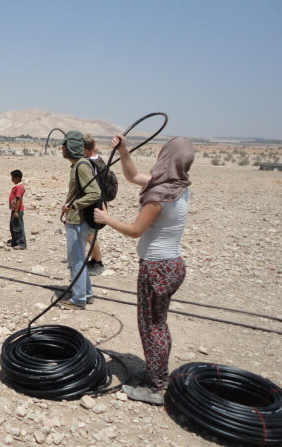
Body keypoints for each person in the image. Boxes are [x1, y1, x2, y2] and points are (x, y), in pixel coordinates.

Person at [94, 135, 195, 405]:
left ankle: (154, 386)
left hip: (157, 268)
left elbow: (136, 230)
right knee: (157, 324)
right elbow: (134, 175)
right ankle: (157, 374)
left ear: (166, 157)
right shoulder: (178, 186)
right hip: (171, 265)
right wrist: (124, 151)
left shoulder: (160, 195)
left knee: (152, 327)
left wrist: (107, 218)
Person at [59, 131, 100, 309]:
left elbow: (94, 192)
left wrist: (74, 205)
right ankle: (86, 294)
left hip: (77, 220)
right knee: (80, 259)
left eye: (64, 145)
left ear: (71, 148)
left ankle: (78, 300)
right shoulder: (78, 165)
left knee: (75, 260)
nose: (62, 149)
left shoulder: (81, 166)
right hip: (78, 219)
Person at [83, 135, 105, 275]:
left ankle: (98, 262)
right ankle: (93, 259)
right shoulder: (98, 159)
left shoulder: (87, 163)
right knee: (89, 232)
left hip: (92, 200)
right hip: (97, 199)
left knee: (89, 234)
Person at [8, 169, 26, 250]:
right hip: (14, 209)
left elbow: (18, 199)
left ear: (17, 178)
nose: (12, 179)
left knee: (18, 227)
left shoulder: (19, 187)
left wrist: (16, 211)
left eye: (13, 178)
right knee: (13, 226)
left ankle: (21, 243)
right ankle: (14, 241)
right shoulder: (17, 186)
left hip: (17, 210)